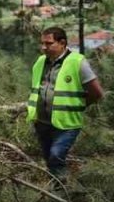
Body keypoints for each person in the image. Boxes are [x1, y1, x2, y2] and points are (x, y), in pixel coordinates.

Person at [28, 27, 104, 178]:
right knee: (49, 159)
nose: (44, 47)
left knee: (56, 155)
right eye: (42, 43)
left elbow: (97, 93)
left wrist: (79, 106)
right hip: (42, 122)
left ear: (62, 43)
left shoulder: (77, 62)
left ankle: (63, 188)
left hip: (67, 124)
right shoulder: (40, 61)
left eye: (48, 43)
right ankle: (57, 187)